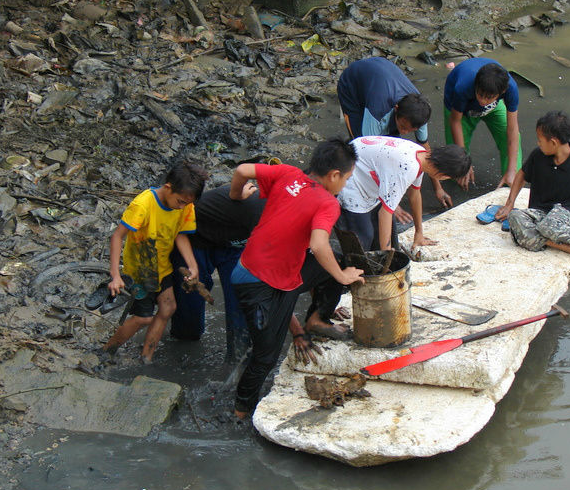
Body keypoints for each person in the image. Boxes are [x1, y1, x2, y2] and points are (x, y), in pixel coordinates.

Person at [229, 139, 365, 419]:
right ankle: (240, 411)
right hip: (256, 283)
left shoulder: (288, 173)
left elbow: (242, 170)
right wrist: (343, 276)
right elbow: (318, 244)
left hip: (278, 272)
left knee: (335, 258)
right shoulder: (328, 203)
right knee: (266, 355)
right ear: (334, 175)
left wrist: (236, 197)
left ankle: (316, 319)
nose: (345, 186)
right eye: (347, 179)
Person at [102, 161, 208, 363]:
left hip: (162, 268)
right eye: (180, 202)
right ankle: (107, 351)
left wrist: (193, 265)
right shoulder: (143, 204)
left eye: (187, 203)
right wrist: (115, 275)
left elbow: (181, 236)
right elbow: (117, 237)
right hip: (139, 271)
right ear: (168, 188)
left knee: (168, 308)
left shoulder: (185, 205)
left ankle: (146, 358)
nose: (182, 207)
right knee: (143, 317)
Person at [494, 111, 570, 275]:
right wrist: (510, 204)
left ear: (553, 142)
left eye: (540, 140)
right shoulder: (539, 155)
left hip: (566, 215)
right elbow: (522, 174)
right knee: (515, 218)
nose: (538, 143)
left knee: (547, 226)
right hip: (540, 212)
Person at [337, 56, 451, 216]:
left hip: (381, 76)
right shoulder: (378, 111)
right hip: (352, 86)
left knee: (393, 144)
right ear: (396, 109)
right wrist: (390, 203)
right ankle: (342, 186)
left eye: (409, 130)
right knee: (357, 147)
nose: (404, 132)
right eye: (402, 127)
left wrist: (438, 188)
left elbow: (426, 150)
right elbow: (368, 151)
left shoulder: (421, 114)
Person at [169, 183, 266, 363]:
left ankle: (238, 355)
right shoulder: (261, 210)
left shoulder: (276, 227)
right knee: (190, 299)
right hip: (197, 240)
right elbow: (178, 228)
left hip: (234, 245)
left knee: (240, 297)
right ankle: (183, 345)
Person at [336, 136, 471, 252]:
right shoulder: (407, 168)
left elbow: (415, 195)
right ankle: (350, 274)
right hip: (350, 171)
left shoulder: (423, 157)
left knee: (388, 237)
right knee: (363, 238)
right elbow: (385, 213)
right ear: (444, 175)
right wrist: (387, 256)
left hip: (369, 173)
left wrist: (419, 233)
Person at [444, 57, 523, 191]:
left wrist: (511, 169)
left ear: (502, 92)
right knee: (456, 159)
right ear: (476, 86)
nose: (482, 100)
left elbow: (512, 129)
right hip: (461, 108)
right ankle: (459, 180)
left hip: (495, 107)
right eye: (480, 95)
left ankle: (510, 181)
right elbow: (455, 121)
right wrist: (464, 162)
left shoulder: (511, 89)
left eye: (488, 97)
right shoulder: (462, 87)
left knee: (508, 139)